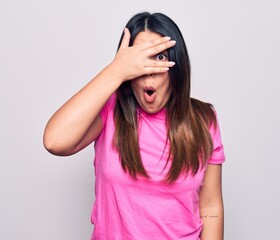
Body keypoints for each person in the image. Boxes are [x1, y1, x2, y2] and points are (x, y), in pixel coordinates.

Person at [43, 12, 225, 240]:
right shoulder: (110, 111)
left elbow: (210, 208)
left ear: (176, 66)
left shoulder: (204, 120)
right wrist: (116, 70)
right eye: (140, 59)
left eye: (159, 58)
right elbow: (54, 141)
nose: (148, 70)